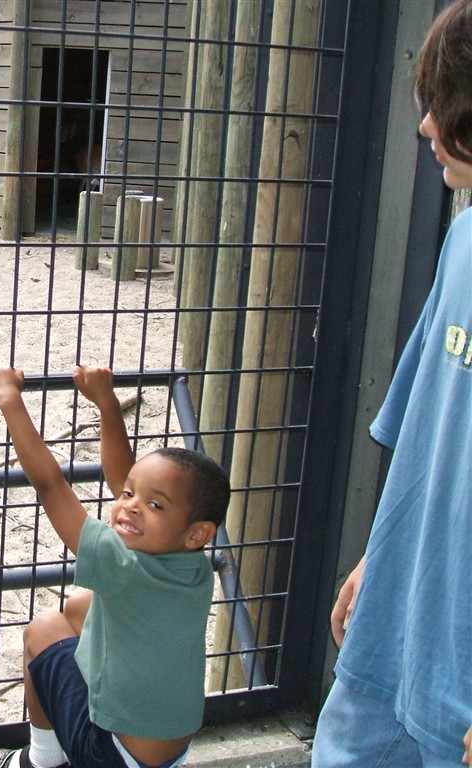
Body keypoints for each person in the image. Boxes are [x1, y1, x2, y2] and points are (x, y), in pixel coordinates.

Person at [311, 0, 472, 765]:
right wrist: (381, 560)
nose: (425, 126)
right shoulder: (464, 236)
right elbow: (424, 436)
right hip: (396, 633)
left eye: (444, 104)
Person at [0, 365, 230, 768]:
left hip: (111, 754)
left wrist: (9, 398)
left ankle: (42, 760)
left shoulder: (125, 566)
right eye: (129, 495)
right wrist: (107, 404)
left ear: (197, 532)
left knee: (42, 631)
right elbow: (122, 480)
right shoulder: (190, 561)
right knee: (80, 606)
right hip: (170, 746)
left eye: (154, 504)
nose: (130, 506)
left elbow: (50, 486)